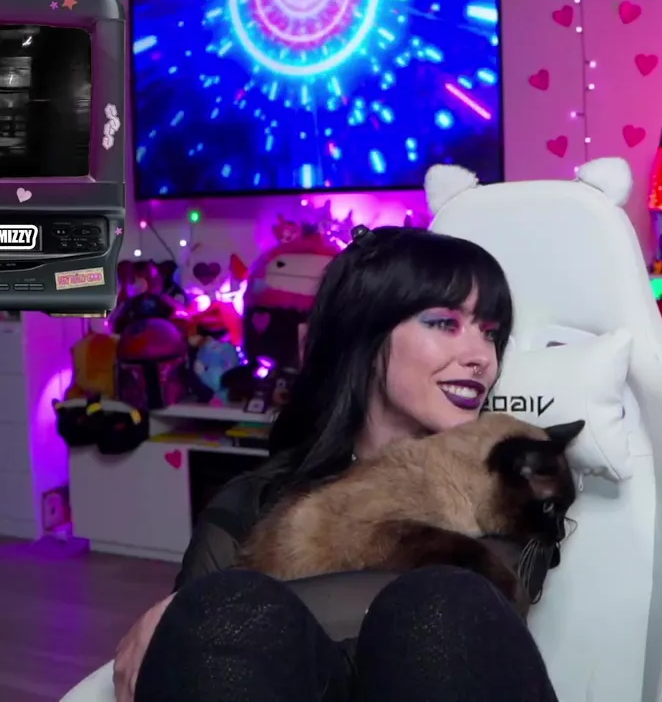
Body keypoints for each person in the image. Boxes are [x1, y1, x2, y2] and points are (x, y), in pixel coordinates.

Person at [113, 226, 559, 702]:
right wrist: (201, 615)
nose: (482, 358)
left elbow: (486, 598)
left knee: (443, 601)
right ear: (365, 331)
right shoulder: (254, 501)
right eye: (445, 323)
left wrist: (197, 607)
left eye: (490, 333)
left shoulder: (509, 482)